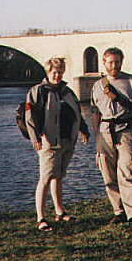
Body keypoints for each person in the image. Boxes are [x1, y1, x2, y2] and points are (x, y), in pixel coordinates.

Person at [26, 57, 90, 232]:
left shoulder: (67, 92)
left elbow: (76, 112)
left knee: (59, 176)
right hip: (48, 142)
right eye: (55, 72)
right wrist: (36, 139)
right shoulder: (38, 91)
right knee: (45, 178)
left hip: (67, 140)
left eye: (61, 72)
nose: (58, 75)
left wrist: (83, 129)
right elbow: (30, 118)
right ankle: (41, 217)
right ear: (48, 72)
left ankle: (60, 212)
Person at [90, 47, 132, 229]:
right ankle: (118, 211)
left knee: (129, 171)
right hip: (105, 131)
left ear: (122, 62)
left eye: (117, 62)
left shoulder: (131, 81)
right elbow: (95, 111)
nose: (114, 65)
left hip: (126, 129)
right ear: (104, 63)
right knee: (108, 172)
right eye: (110, 62)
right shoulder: (97, 86)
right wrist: (96, 133)